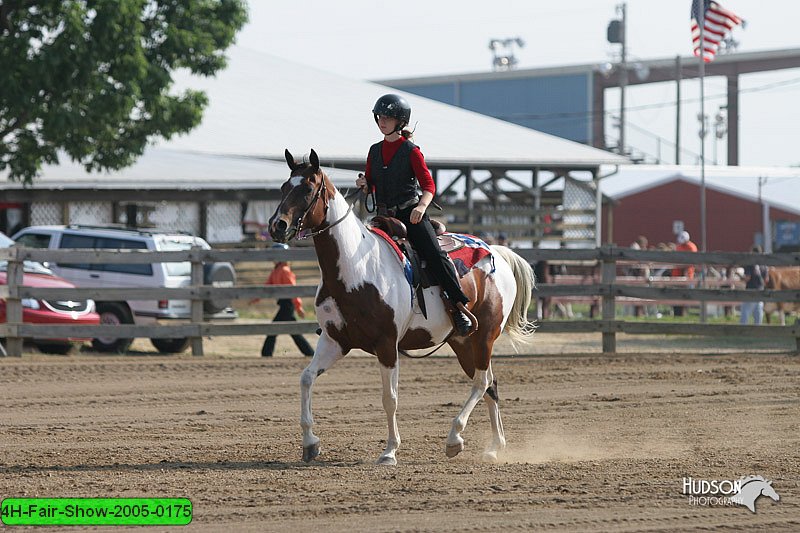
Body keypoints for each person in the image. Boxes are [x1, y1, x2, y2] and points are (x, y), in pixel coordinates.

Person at [356, 93, 473, 335]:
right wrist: (365, 184)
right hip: (382, 217)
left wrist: (421, 207)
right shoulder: (374, 151)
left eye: (387, 117)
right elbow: (370, 180)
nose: (382, 121)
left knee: (434, 253)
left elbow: (429, 186)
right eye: (380, 117)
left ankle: (458, 306)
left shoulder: (411, 150)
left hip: (411, 215)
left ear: (400, 121)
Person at [252, 243, 315, 357]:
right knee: (293, 332)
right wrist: (257, 298)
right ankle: (310, 353)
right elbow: (267, 286)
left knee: (274, 329)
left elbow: (292, 290)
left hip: (288, 304)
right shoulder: (276, 271)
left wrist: (298, 306)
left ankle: (266, 354)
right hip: (284, 305)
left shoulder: (285, 271)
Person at [740, 245, 769, 325]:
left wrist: (741, 278)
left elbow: (747, 278)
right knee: (758, 316)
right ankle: (758, 334)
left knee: (745, 315)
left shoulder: (750, 263)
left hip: (750, 291)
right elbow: (767, 280)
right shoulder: (764, 265)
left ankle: (742, 332)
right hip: (760, 292)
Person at [671, 231, 698, 317]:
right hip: (676, 275)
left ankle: (683, 314)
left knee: (685, 296)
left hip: (687, 275)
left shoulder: (691, 247)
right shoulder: (679, 246)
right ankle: (677, 314)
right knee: (676, 296)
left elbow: (690, 262)